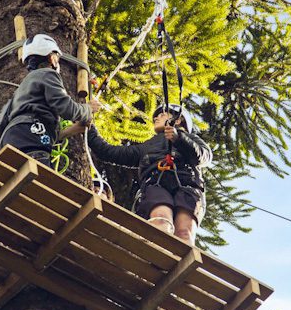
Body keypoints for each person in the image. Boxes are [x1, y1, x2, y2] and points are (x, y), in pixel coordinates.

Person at [87, 104, 211, 246]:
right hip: (156, 183)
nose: (156, 117)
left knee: (184, 233)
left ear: (178, 120)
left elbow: (204, 157)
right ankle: (158, 259)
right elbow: (108, 152)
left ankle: (177, 265)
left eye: (162, 114)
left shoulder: (191, 139)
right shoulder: (147, 146)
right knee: (161, 220)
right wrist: (89, 125)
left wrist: (179, 139)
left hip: (187, 186)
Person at [0, 34, 101, 166]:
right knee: (40, 179)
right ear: (52, 58)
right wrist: (88, 109)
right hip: (31, 139)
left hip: (9, 143)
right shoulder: (48, 74)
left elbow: (43, 132)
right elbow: (67, 109)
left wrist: (75, 129)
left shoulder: (21, 93)